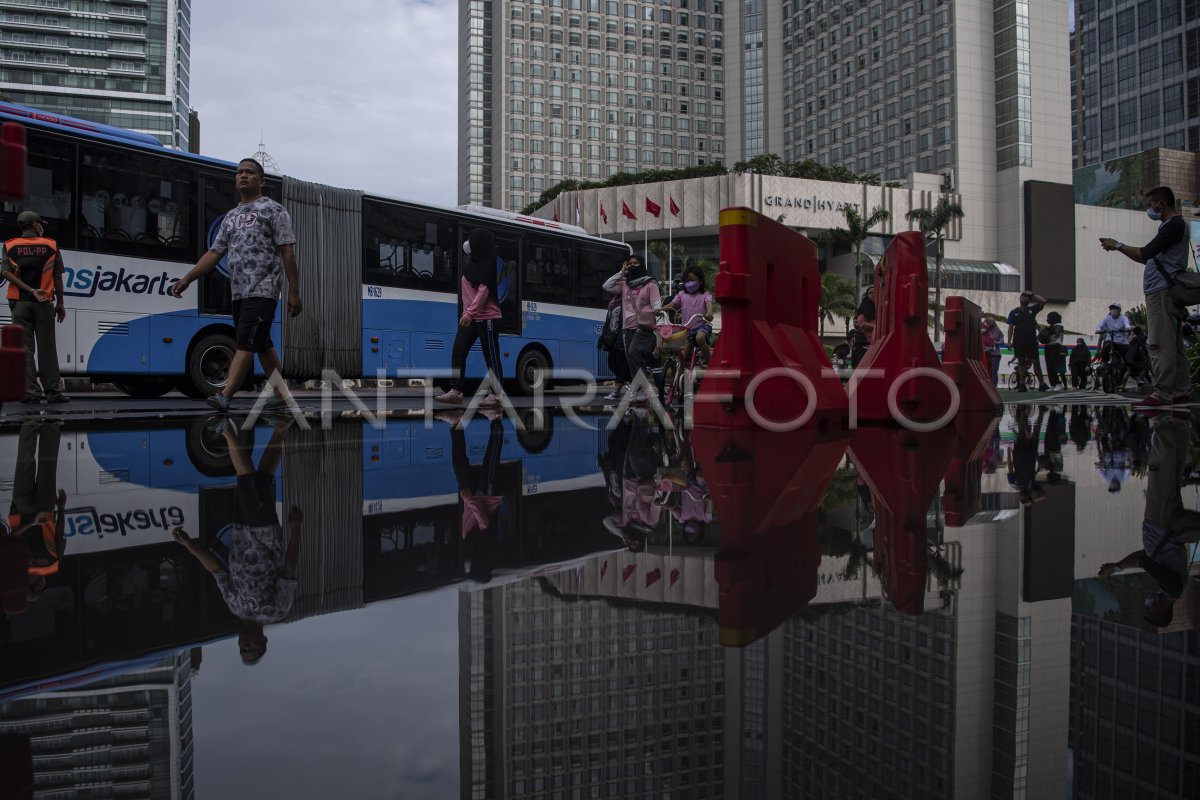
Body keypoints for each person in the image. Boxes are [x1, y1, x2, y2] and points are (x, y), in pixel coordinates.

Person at [169, 158, 302, 413]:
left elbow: (287, 252)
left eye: (250, 172)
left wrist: (294, 292)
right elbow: (215, 253)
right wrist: (187, 279)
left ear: (261, 181)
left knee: (245, 342)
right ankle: (280, 393)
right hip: (239, 292)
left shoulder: (274, 210)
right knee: (261, 343)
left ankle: (226, 394)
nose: (243, 176)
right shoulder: (230, 217)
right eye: (239, 172)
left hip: (263, 289)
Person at [173, 417, 302, 665]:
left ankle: (280, 431)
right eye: (251, 648)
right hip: (263, 534)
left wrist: (190, 546)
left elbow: (217, 570)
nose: (245, 645)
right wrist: (295, 530)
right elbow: (288, 572)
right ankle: (228, 433)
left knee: (262, 479)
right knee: (246, 481)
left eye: (242, 649)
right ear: (264, 642)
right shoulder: (277, 611)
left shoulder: (234, 606)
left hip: (242, 530)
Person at [1098, 415, 1197, 628]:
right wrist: (1117, 568)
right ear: (1161, 610)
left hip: (1164, 523)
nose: (1147, 605)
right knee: (1161, 470)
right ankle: (1162, 421)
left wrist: (1118, 566)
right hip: (1160, 520)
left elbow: (1144, 556)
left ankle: (1179, 424)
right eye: (1150, 609)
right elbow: (1145, 562)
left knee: (1172, 474)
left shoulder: (1170, 587)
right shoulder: (1172, 587)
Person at [1099, 186, 1192, 410]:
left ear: (1162, 203)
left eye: (1151, 205)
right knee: (1174, 345)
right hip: (1162, 291)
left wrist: (1117, 245)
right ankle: (1180, 392)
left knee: (1159, 344)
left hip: (1161, 293)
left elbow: (1145, 253)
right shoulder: (1169, 227)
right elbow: (1149, 257)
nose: (1149, 209)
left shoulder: (1174, 225)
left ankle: (1162, 393)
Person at [2, 210, 69, 403]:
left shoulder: (9, 246)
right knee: (47, 348)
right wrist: (61, 304)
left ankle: (30, 393)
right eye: (40, 224)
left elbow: (6, 273)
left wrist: (29, 290)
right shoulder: (51, 245)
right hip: (44, 303)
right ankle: (53, 392)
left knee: (24, 349)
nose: (41, 227)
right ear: (34, 225)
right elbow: (57, 277)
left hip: (19, 304)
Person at [435, 228, 506, 407]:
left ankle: (498, 395)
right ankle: (456, 391)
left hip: (487, 317)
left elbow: (483, 292)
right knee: (458, 349)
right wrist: (467, 313)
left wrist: (468, 314)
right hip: (471, 316)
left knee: (490, 355)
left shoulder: (488, 265)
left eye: (471, 240)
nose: (468, 244)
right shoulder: (473, 264)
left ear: (479, 244)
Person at [5, 421, 66, 597]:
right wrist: (31, 522)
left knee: (48, 464)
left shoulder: (53, 564)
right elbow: (11, 537)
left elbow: (59, 535)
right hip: (21, 510)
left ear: (38, 585)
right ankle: (30, 422)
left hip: (45, 510)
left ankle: (52, 424)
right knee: (25, 461)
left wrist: (61, 508)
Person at [602, 255, 662, 403]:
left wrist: (657, 311)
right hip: (626, 327)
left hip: (642, 326)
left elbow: (656, 304)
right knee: (632, 359)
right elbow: (607, 286)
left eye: (636, 263)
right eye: (630, 263)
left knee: (634, 353)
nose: (632, 266)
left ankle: (642, 389)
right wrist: (622, 272)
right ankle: (642, 389)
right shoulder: (625, 284)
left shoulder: (650, 283)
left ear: (641, 265)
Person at [660, 266, 715, 361]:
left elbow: (709, 305)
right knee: (681, 356)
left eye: (692, 280)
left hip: (702, 326)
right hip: (687, 329)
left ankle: (709, 363)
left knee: (700, 337)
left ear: (700, 281)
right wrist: (660, 309)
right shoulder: (681, 294)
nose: (689, 283)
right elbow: (671, 304)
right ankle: (679, 374)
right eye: (687, 281)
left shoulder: (705, 294)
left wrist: (709, 314)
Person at [1006, 290, 1049, 392]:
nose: (1024, 298)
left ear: (1029, 300)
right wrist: (1008, 341)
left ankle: (1042, 384)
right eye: (1023, 296)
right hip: (1019, 340)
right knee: (1021, 362)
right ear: (1020, 298)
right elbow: (1010, 327)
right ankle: (1021, 384)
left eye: (1027, 297)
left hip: (1031, 340)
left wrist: (1032, 294)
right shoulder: (1014, 312)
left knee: (1035, 361)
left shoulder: (1032, 310)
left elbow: (1043, 301)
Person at [598, 294, 630, 402]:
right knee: (611, 364)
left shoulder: (626, 303)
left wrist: (622, 339)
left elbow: (625, 323)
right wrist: (602, 337)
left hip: (622, 338)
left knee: (623, 365)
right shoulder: (613, 302)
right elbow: (608, 321)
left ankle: (617, 391)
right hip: (611, 338)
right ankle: (630, 381)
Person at [1041, 310, 1067, 389]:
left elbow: (1054, 334)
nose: (1047, 320)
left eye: (1048, 318)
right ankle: (1053, 384)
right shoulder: (1050, 327)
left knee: (1051, 365)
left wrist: (1044, 330)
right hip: (1048, 346)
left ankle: (1058, 383)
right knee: (1048, 366)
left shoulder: (1059, 326)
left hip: (1055, 346)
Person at [981, 316, 1004, 387]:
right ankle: (987, 385)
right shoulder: (984, 329)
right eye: (987, 322)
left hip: (995, 354)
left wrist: (993, 342)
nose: (989, 324)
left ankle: (994, 385)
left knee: (994, 371)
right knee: (985, 370)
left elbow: (1002, 341)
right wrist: (985, 320)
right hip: (985, 353)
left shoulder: (998, 331)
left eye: (990, 322)